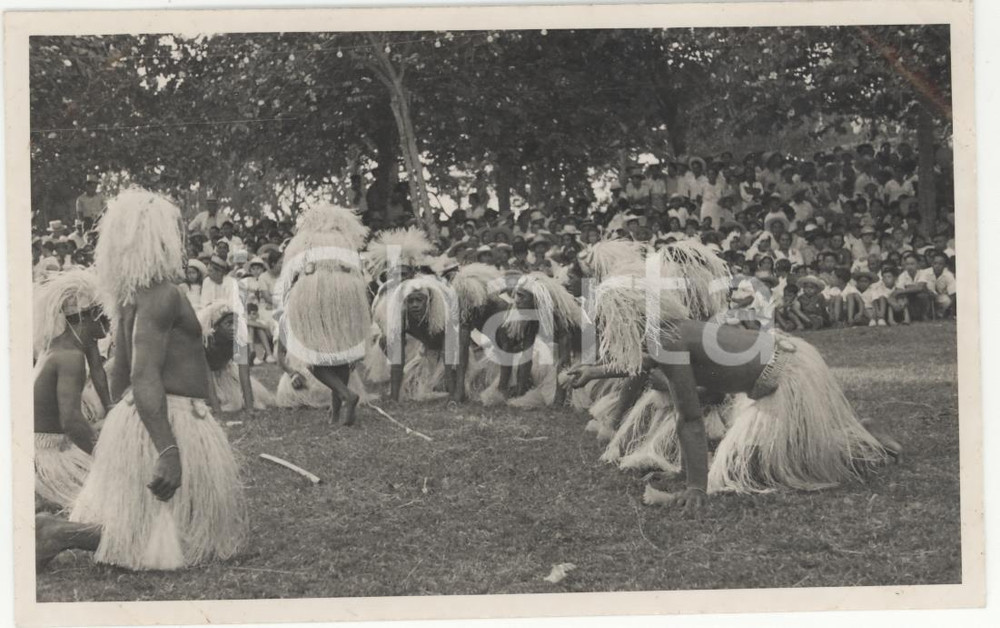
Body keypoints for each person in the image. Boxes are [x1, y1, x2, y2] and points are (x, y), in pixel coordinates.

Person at [36, 188, 247, 571]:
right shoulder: (164, 295)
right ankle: (58, 532)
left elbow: (120, 376)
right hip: (170, 419)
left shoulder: (130, 298)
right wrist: (167, 449)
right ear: (159, 240)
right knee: (176, 538)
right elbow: (142, 373)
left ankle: (60, 532)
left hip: (144, 416)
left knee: (179, 529)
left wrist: (123, 427)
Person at [566, 318, 897, 512]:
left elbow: (690, 417)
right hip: (784, 363)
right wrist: (596, 371)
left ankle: (867, 444)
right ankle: (859, 434)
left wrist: (696, 488)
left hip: (787, 376)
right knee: (748, 464)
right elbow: (646, 362)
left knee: (749, 470)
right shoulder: (668, 330)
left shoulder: (666, 338)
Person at [278, 202, 371, 425]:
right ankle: (336, 412)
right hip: (348, 292)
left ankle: (346, 395)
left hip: (315, 290)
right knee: (340, 351)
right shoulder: (346, 240)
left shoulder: (305, 239)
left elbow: (291, 272)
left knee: (313, 357)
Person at [32, 269, 108, 510]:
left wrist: (111, 410)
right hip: (49, 456)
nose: (109, 321)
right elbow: (71, 422)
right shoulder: (70, 357)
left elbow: (97, 369)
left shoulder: (63, 343)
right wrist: (105, 459)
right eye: (105, 315)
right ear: (92, 315)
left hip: (45, 447)